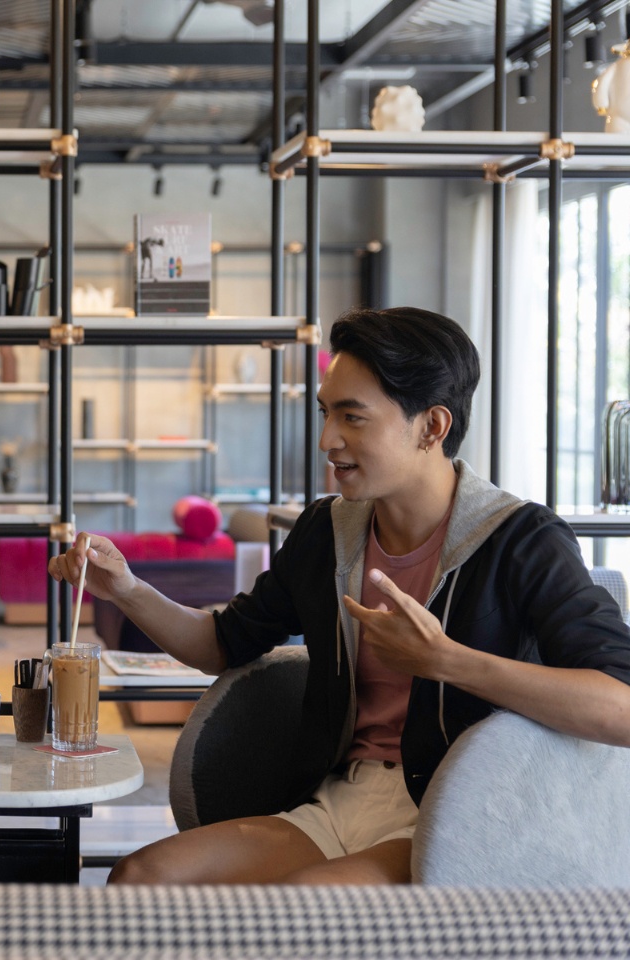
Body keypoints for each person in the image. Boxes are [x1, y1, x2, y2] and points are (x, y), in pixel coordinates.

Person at [49, 306, 630, 886]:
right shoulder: (328, 531)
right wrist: (125, 588)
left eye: (353, 418)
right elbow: (222, 644)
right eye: (327, 413)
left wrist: (444, 660)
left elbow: (620, 706)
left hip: (463, 816)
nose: (328, 440)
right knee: (142, 877)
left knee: (305, 908)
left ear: (432, 426)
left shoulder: (522, 539)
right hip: (340, 801)